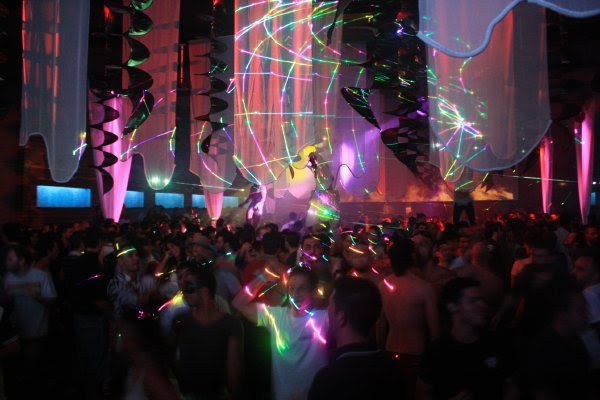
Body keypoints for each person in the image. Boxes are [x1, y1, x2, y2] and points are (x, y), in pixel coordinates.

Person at [233, 267, 328, 400]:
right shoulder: (276, 316)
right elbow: (238, 303)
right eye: (291, 288)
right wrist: (264, 276)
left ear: (313, 292)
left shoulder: (325, 318)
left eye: (302, 288)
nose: (295, 293)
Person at [418, 277, 516, 400]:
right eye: (473, 300)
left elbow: (512, 385)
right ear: (452, 306)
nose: (482, 305)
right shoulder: (437, 352)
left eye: (482, 300)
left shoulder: (497, 344)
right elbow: (422, 393)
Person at [308, 277, 405, 400]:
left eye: (330, 305)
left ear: (341, 317)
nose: (327, 311)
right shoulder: (394, 369)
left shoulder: (328, 379)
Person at [170, 267, 243, 400]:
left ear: (204, 291)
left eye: (189, 287)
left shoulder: (230, 324)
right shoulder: (180, 321)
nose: (183, 291)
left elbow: (233, 369)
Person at [3, 245, 57, 399]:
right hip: (15, 336)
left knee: (33, 372)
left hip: (36, 333)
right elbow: (6, 304)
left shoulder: (40, 276)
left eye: (10, 259)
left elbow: (53, 300)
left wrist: (38, 297)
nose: (6, 262)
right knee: (19, 373)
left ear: (22, 261)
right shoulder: (8, 277)